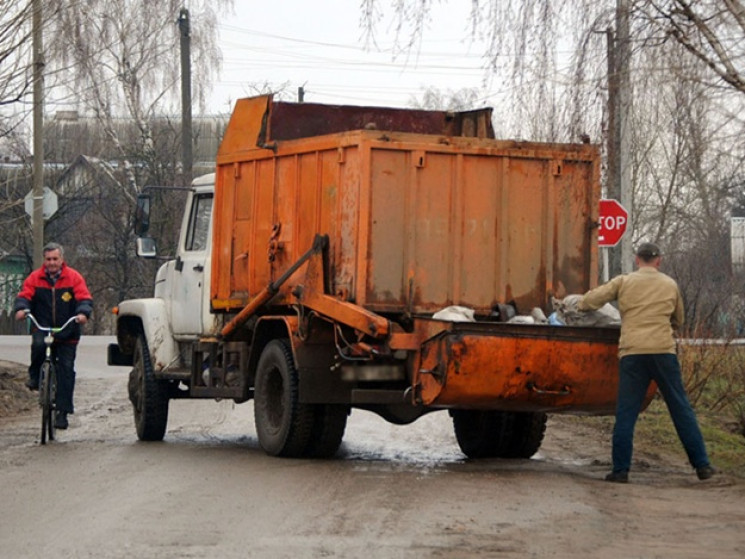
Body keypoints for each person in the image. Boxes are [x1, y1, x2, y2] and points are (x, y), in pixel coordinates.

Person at [579, 242, 715, 483]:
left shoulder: (624, 281)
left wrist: (579, 304)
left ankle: (620, 471)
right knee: (681, 408)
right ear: (659, 261)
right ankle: (702, 466)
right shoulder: (670, 284)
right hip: (663, 352)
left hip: (633, 353)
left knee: (626, 413)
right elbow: (679, 319)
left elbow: (590, 301)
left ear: (636, 259)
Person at [13, 242, 93, 430]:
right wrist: (21, 309)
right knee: (39, 346)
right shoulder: (35, 278)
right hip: (43, 327)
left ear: (61, 259)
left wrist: (82, 314)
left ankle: (62, 413)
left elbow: (84, 299)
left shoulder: (73, 278)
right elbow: (24, 296)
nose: (51, 263)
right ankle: (34, 377)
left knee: (66, 369)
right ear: (44, 260)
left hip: (68, 331)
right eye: (48, 259)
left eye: (55, 259)